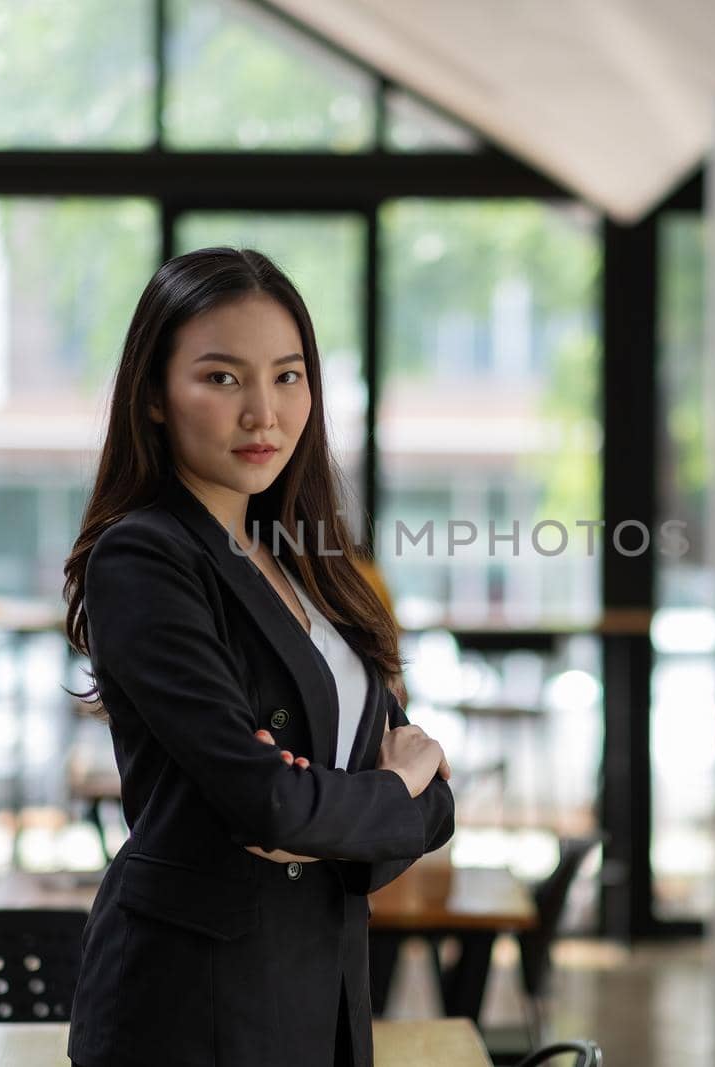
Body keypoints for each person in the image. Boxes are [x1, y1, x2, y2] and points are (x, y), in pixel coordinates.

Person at [61, 247, 456, 1066]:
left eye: (287, 376)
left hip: (323, 988)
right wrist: (386, 790)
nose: (263, 415)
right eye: (221, 378)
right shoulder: (143, 557)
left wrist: (341, 811)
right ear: (155, 398)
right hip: (194, 1007)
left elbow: (435, 802)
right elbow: (269, 802)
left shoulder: (311, 557)